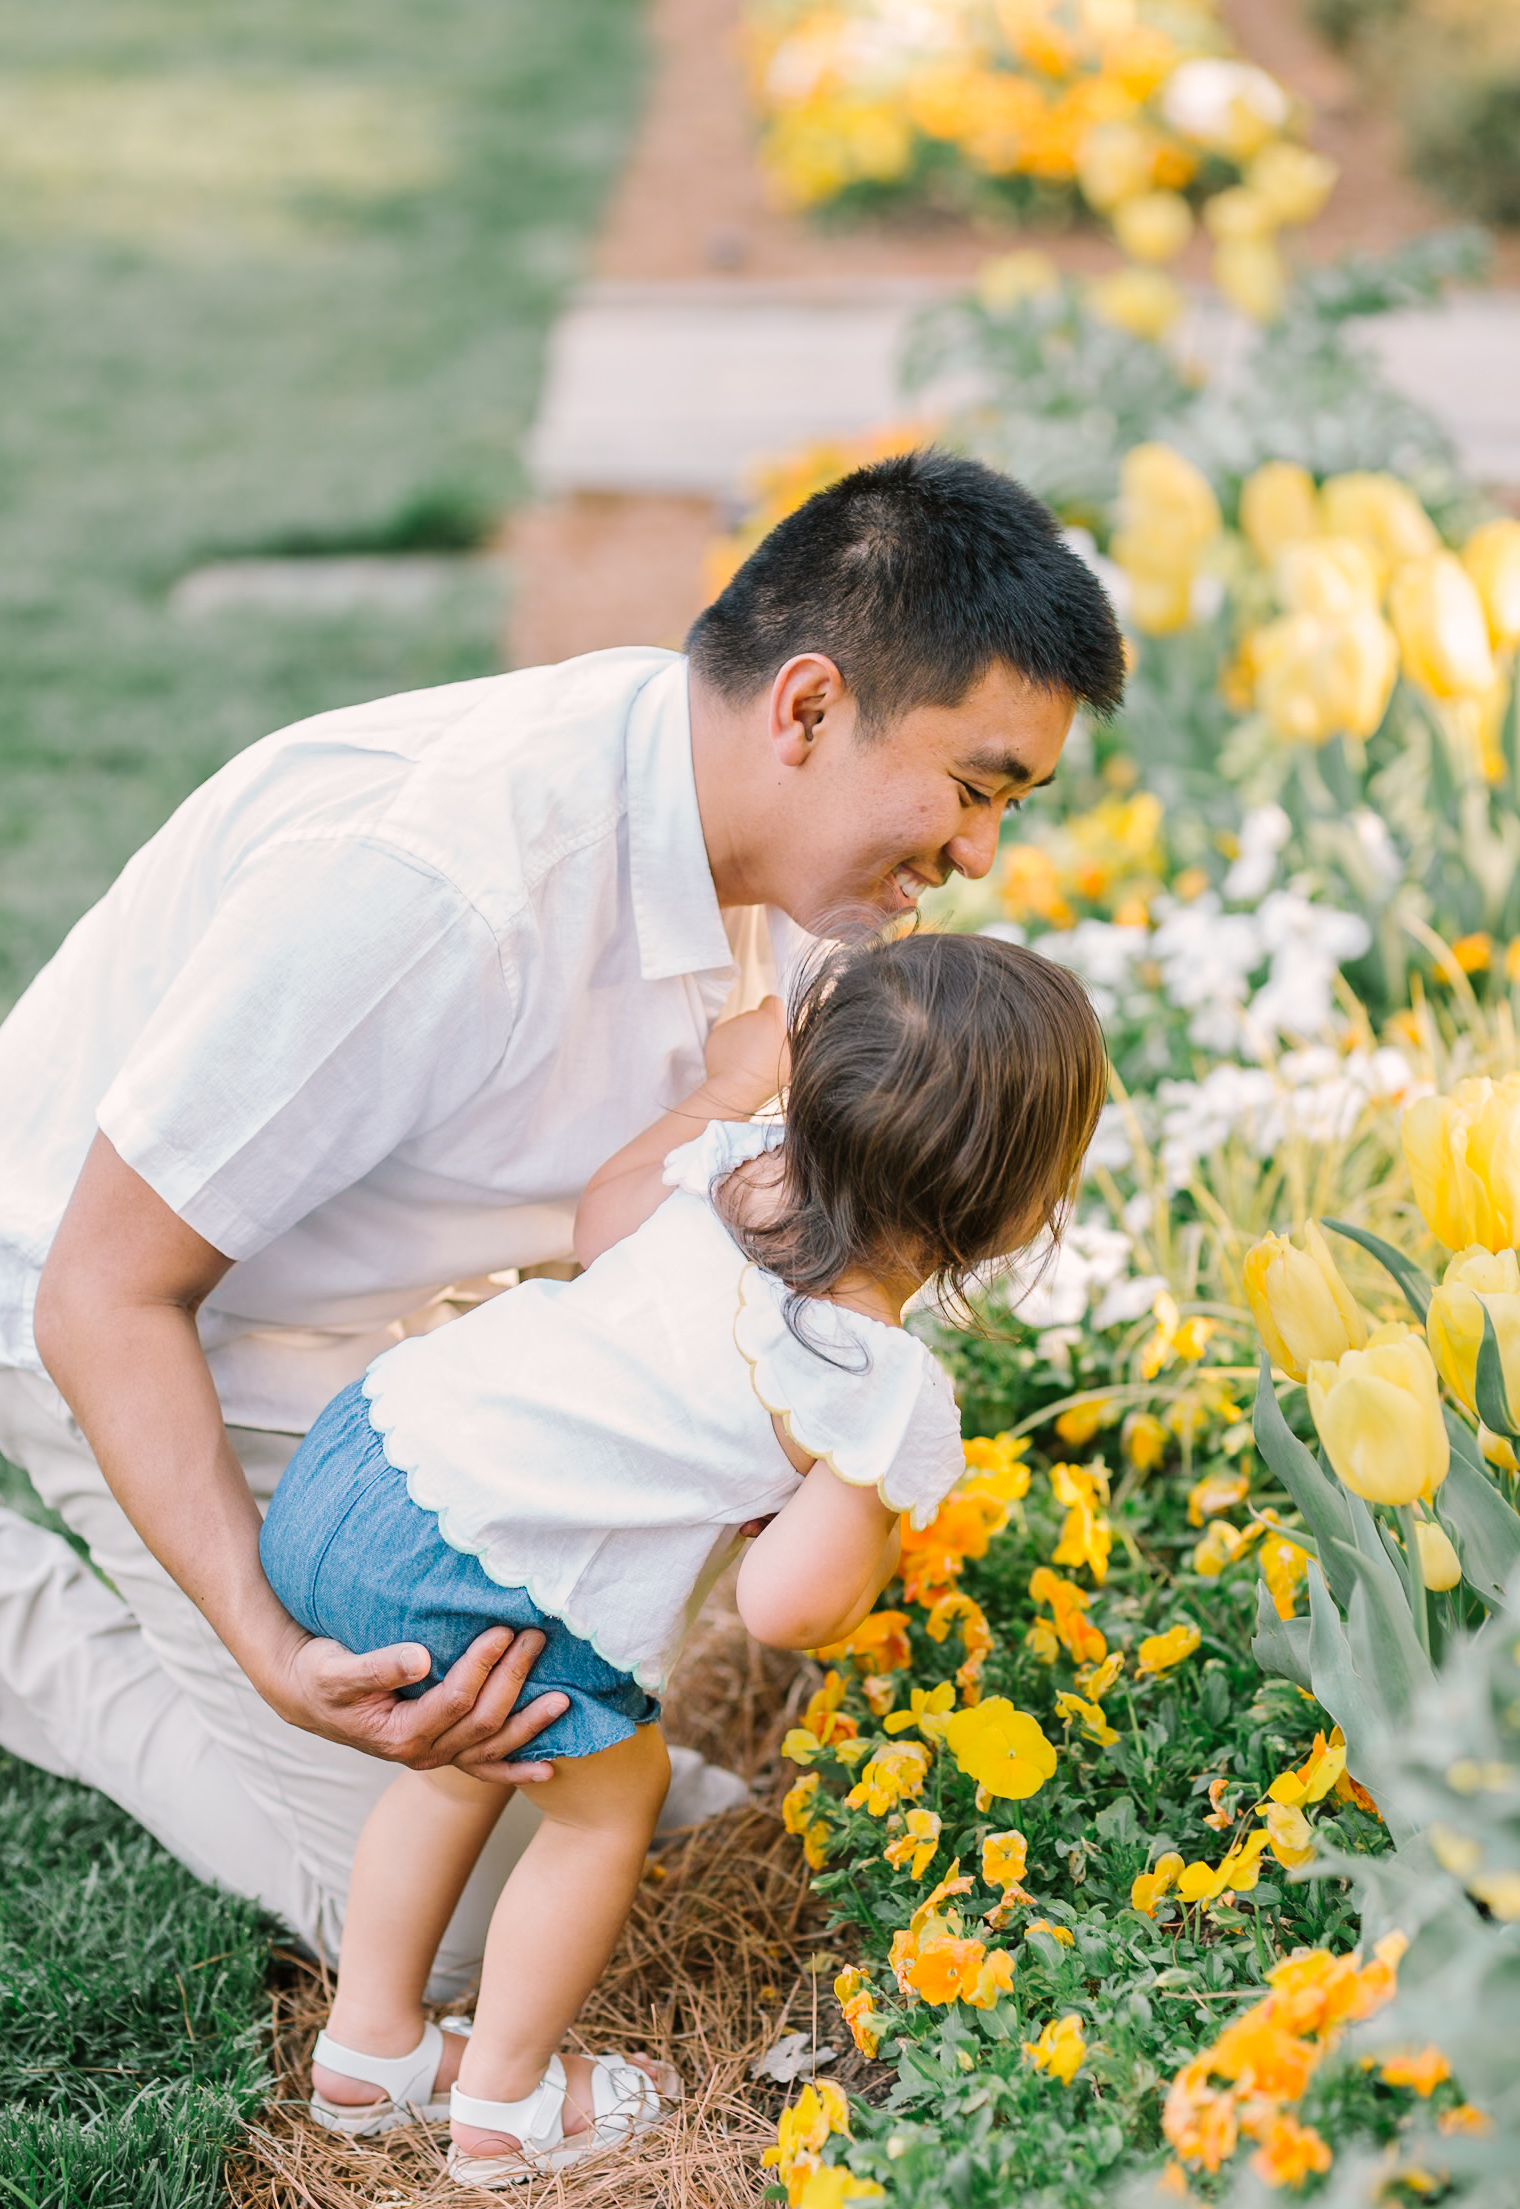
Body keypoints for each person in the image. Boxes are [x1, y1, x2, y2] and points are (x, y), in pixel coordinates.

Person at [0, 449, 1124, 1990]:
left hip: (380, 1326)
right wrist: (274, 1650)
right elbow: (104, 1293)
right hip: (118, 1301)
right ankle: (23, 1624)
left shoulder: (766, 863)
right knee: (445, 1935)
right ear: (805, 708)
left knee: (548, 1790)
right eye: (975, 786)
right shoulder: (436, 891)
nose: (983, 852)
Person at [256, 930, 1107, 2178]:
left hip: (366, 1464)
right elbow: (787, 1607)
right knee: (607, 1803)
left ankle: (371, 2047)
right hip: (472, 1569)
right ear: (1016, 1203)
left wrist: (720, 1089)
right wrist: (852, 1501)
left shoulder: (740, 1171)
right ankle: (503, 2106)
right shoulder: (876, 1384)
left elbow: (605, 1226)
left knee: (456, 1765)